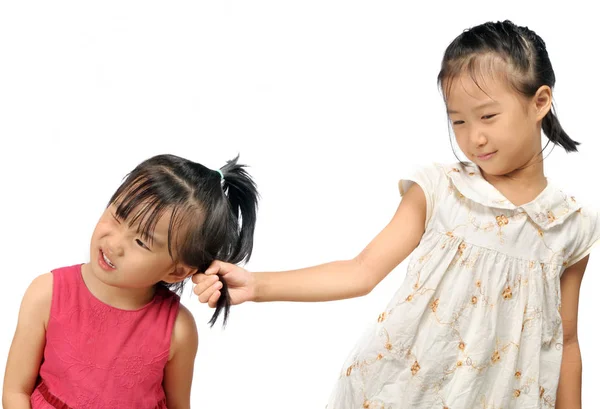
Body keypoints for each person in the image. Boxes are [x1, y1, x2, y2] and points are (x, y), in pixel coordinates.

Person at [192, 20, 600, 408]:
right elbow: (362, 270)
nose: (473, 137)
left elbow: (564, 342)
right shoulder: (440, 189)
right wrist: (257, 285)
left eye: (488, 116)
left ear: (540, 102)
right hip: (404, 392)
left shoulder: (569, 224)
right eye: (457, 121)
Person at [3, 154, 259, 409]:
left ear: (176, 271)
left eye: (141, 242)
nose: (114, 244)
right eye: (118, 216)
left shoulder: (178, 330)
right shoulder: (47, 293)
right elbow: (15, 391)